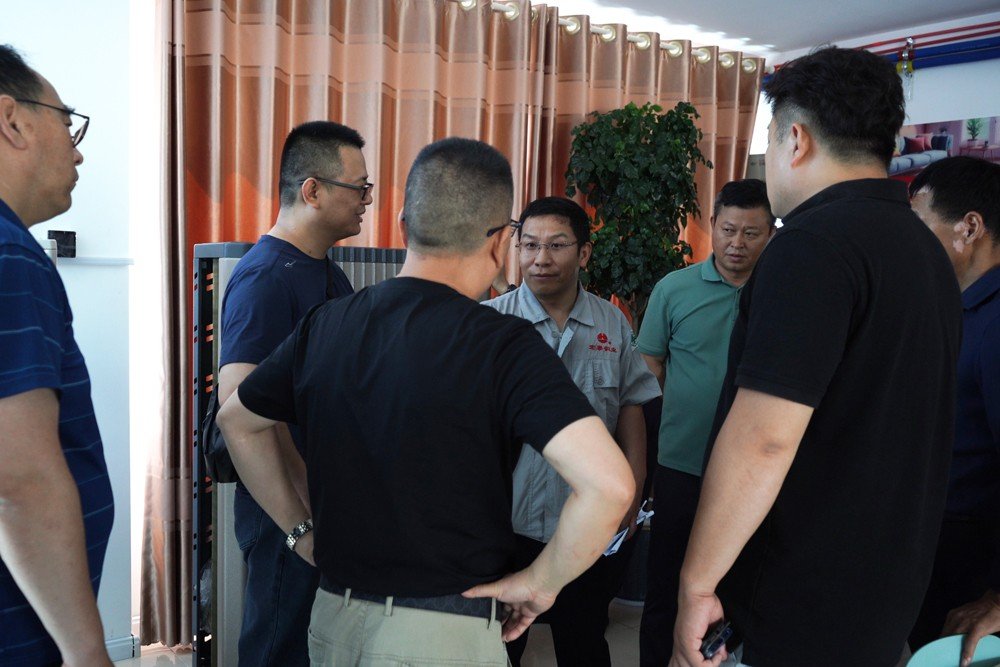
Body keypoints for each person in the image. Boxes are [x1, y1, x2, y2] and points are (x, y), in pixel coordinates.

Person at [217, 137, 635, 666]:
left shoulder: (326, 324)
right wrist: (540, 583)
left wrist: (299, 532)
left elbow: (236, 421)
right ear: (499, 244)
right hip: (443, 634)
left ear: (404, 228)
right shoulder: (503, 344)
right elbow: (610, 485)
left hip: (333, 619)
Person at [671, 46, 962, 667]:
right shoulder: (925, 251)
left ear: (795, 140)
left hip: (797, 597)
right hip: (885, 589)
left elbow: (765, 440)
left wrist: (697, 583)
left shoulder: (811, 245)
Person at [485, 196, 660, 666]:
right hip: (507, 519)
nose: (540, 259)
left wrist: (635, 485)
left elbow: (630, 403)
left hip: (586, 517)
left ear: (583, 253)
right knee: (499, 643)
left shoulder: (611, 322)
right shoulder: (492, 322)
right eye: (529, 245)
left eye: (556, 245)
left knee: (583, 639)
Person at [217, 120, 366, 666]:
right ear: (313, 190)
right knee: (278, 648)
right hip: (285, 507)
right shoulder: (266, 279)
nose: (366, 201)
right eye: (359, 188)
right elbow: (241, 410)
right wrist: (299, 527)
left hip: (323, 499)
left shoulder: (325, 274)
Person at [0, 45, 114, 666]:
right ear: (12, 120)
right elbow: (17, 481)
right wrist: (87, 652)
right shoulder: (10, 256)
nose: (78, 152)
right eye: (68, 124)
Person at [636, 179, 774, 666]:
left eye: (751, 233)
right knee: (667, 586)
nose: (737, 243)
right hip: (682, 466)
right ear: (712, 225)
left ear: (771, 234)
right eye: (729, 230)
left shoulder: (783, 294)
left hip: (756, 474)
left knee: (741, 590)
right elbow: (648, 370)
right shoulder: (674, 290)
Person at [906, 156, 1000, 667]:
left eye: (921, 228)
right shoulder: (957, 308)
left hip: (974, 556)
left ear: (970, 227)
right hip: (938, 538)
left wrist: (997, 596)